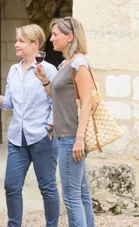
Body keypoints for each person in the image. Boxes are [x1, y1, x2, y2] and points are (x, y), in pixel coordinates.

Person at [0, 24, 60, 227]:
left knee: (47, 187)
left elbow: (57, 103)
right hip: (17, 137)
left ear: (35, 44)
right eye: (16, 40)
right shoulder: (13, 70)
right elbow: (9, 102)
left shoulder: (49, 70)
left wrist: (49, 128)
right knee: (11, 185)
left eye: (20, 41)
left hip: (42, 137)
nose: (16, 44)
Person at [35, 17, 95, 227]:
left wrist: (79, 139)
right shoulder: (65, 64)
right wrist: (44, 80)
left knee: (71, 197)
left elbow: (87, 103)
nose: (51, 39)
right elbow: (57, 98)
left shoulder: (79, 63)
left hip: (71, 137)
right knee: (81, 193)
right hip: (66, 135)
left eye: (55, 34)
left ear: (70, 37)